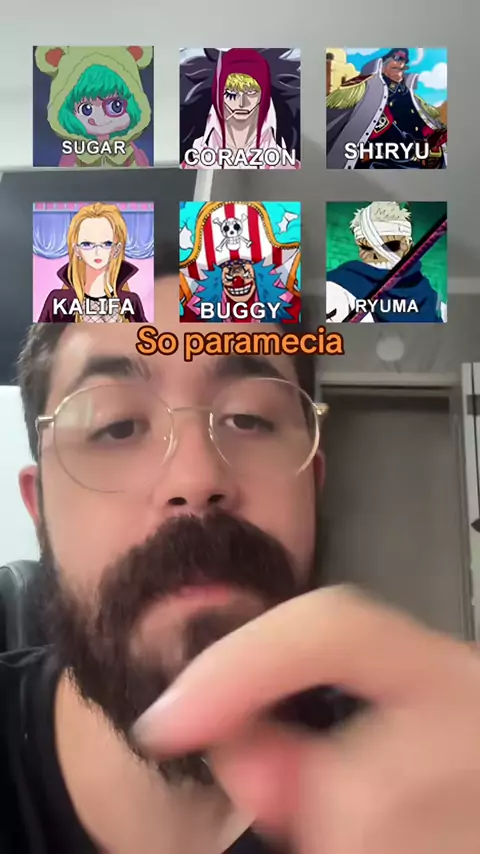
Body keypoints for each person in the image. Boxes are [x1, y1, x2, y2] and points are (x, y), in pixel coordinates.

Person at [2, 258, 480, 854]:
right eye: (118, 426)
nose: (197, 477)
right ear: (39, 506)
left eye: (249, 419)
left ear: (314, 485)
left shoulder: (433, 783)